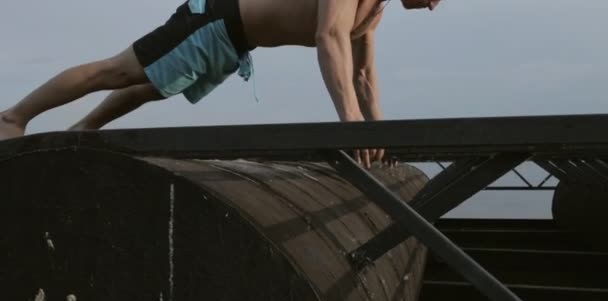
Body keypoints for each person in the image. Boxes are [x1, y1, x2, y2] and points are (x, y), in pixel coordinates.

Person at [0, 0, 440, 167]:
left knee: (153, 85)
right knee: (116, 71)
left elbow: (362, 74)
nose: (436, 5)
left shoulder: (375, 10)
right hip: (215, 17)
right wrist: (351, 122)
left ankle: (83, 132)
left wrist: (379, 133)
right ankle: (14, 117)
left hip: (232, 38)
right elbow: (329, 36)